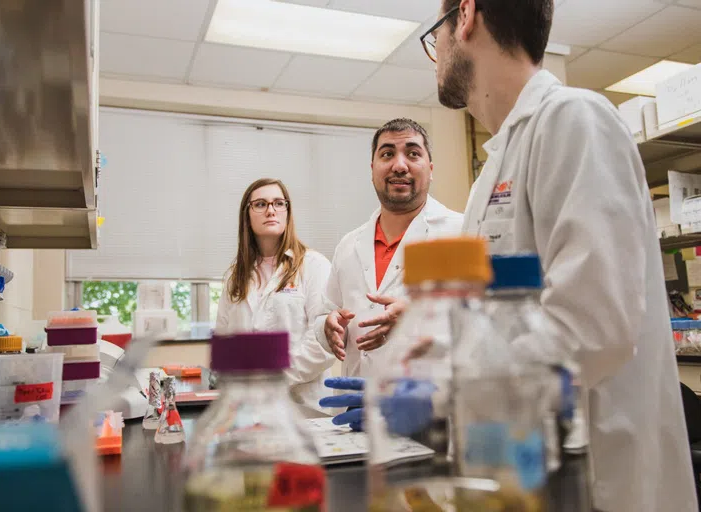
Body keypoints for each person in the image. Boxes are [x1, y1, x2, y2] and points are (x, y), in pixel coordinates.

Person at [424, 1, 697, 510]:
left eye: (433, 36)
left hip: (602, 483)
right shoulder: (494, 168)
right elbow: (504, 317)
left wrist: (445, 392)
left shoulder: (575, 119)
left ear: (464, 16)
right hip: (527, 478)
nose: (434, 54)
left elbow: (592, 326)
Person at [314, 119, 463, 379]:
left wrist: (416, 318)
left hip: (431, 407)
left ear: (430, 168)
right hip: (355, 406)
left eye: (413, 154)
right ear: (373, 169)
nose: (399, 165)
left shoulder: (463, 233)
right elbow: (326, 312)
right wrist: (327, 326)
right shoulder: (349, 245)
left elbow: (489, 323)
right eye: (387, 154)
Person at [215, 178, 334, 415]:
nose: (271, 210)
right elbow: (224, 342)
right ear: (246, 215)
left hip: (303, 407)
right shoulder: (234, 276)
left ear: (287, 212)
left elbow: (323, 340)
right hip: (247, 408)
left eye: (279, 203)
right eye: (260, 204)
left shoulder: (313, 265)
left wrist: (273, 378)